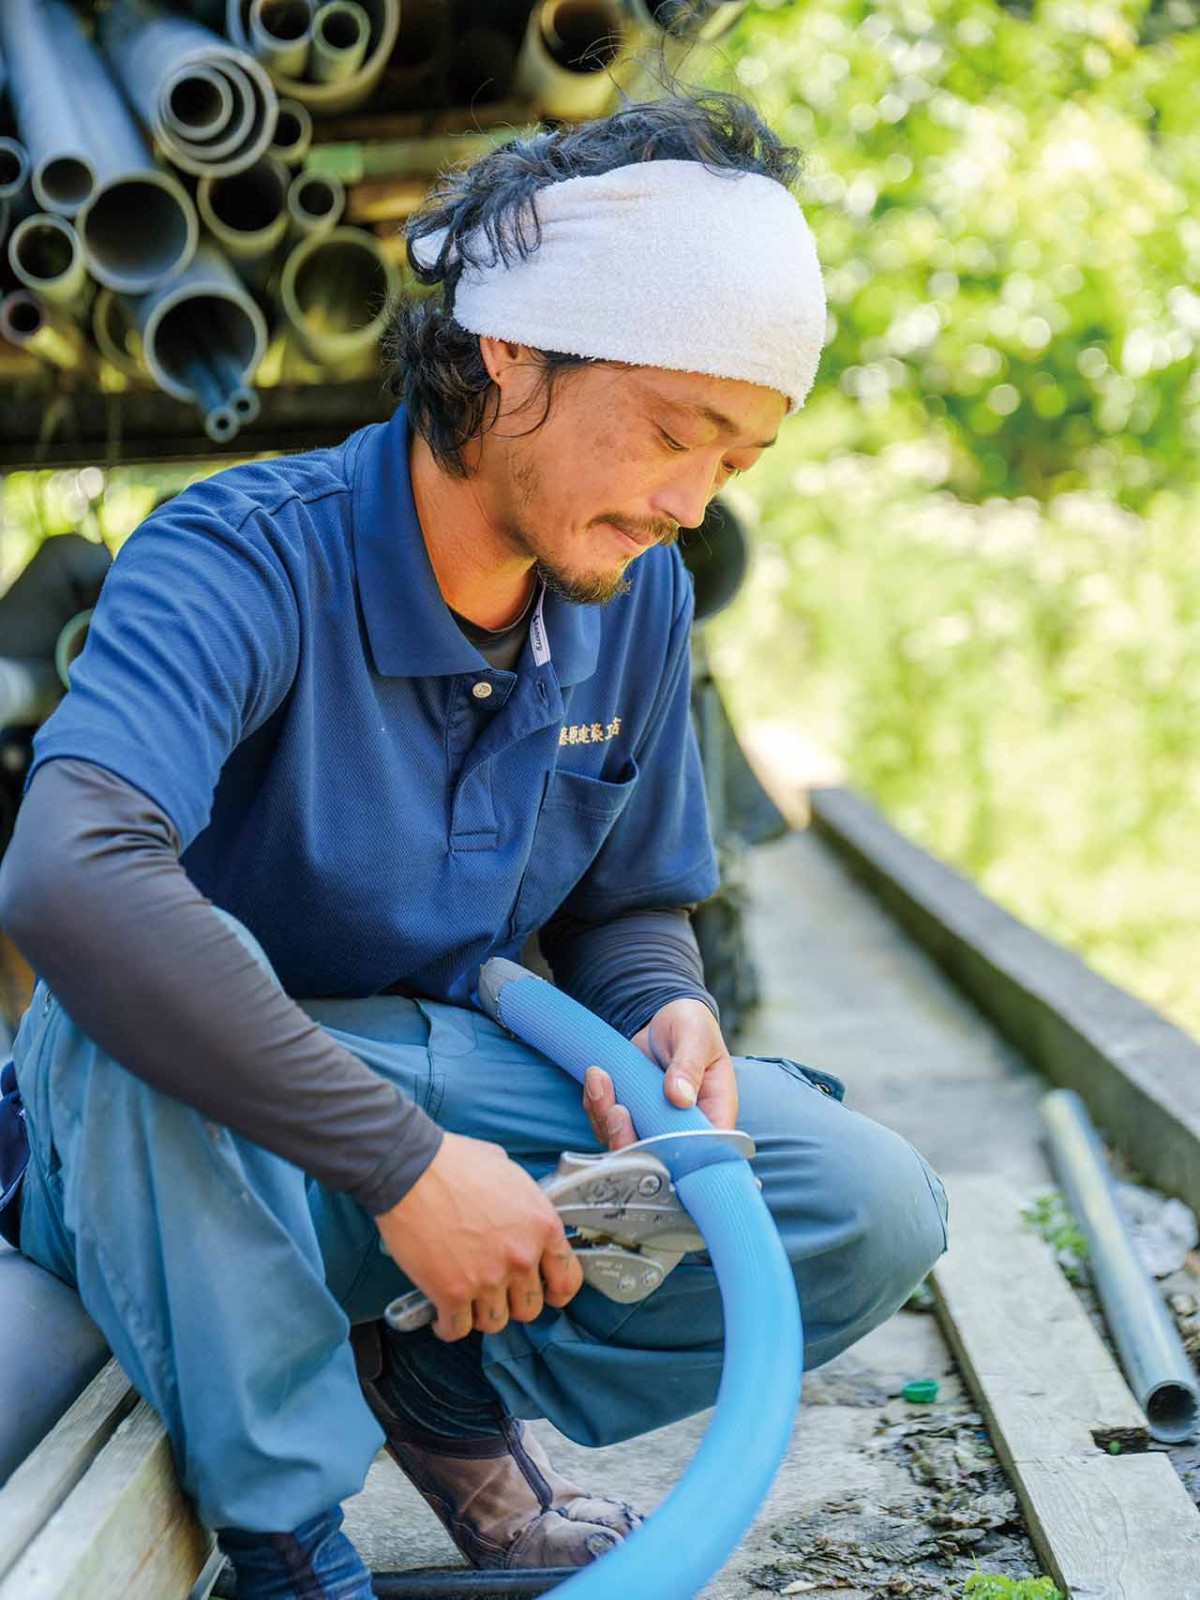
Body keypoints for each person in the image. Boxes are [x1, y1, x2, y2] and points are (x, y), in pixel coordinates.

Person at [0, 93, 948, 1600]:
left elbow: (633, 904)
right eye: (668, 432)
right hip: (173, 1135)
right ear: (508, 350)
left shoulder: (636, 595)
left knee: (858, 1194)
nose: (686, 501)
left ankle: (437, 1383)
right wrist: (401, 1166)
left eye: (735, 464)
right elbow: (70, 877)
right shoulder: (241, 555)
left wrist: (661, 1010)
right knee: (137, 1011)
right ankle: (290, 1546)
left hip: (430, 1089)